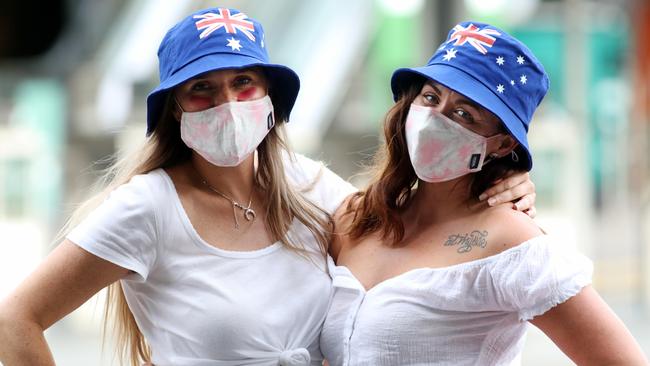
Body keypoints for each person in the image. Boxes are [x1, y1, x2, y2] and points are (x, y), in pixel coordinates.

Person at [0, 9, 536, 366]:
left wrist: (504, 188)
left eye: (242, 83)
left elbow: (416, 228)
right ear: (174, 109)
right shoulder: (147, 206)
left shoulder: (312, 190)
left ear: (269, 96)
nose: (227, 104)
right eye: (201, 90)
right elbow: (15, 319)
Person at [320, 21, 649, 366]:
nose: (435, 119)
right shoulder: (357, 217)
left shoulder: (512, 242)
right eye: (430, 97)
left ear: (503, 143)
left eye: (464, 114)